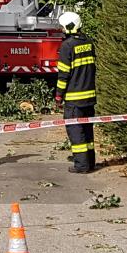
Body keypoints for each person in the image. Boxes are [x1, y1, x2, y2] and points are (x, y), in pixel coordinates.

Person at [53, 11, 96, 173]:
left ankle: (81, 165)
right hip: (89, 97)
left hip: (74, 98)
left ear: (69, 27)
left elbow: (64, 74)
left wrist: (58, 95)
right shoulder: (89, 42)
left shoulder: (67, 46)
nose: (62, 30)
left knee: (76, 131)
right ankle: (90, 161)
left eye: (63, 27)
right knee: (87, 130)